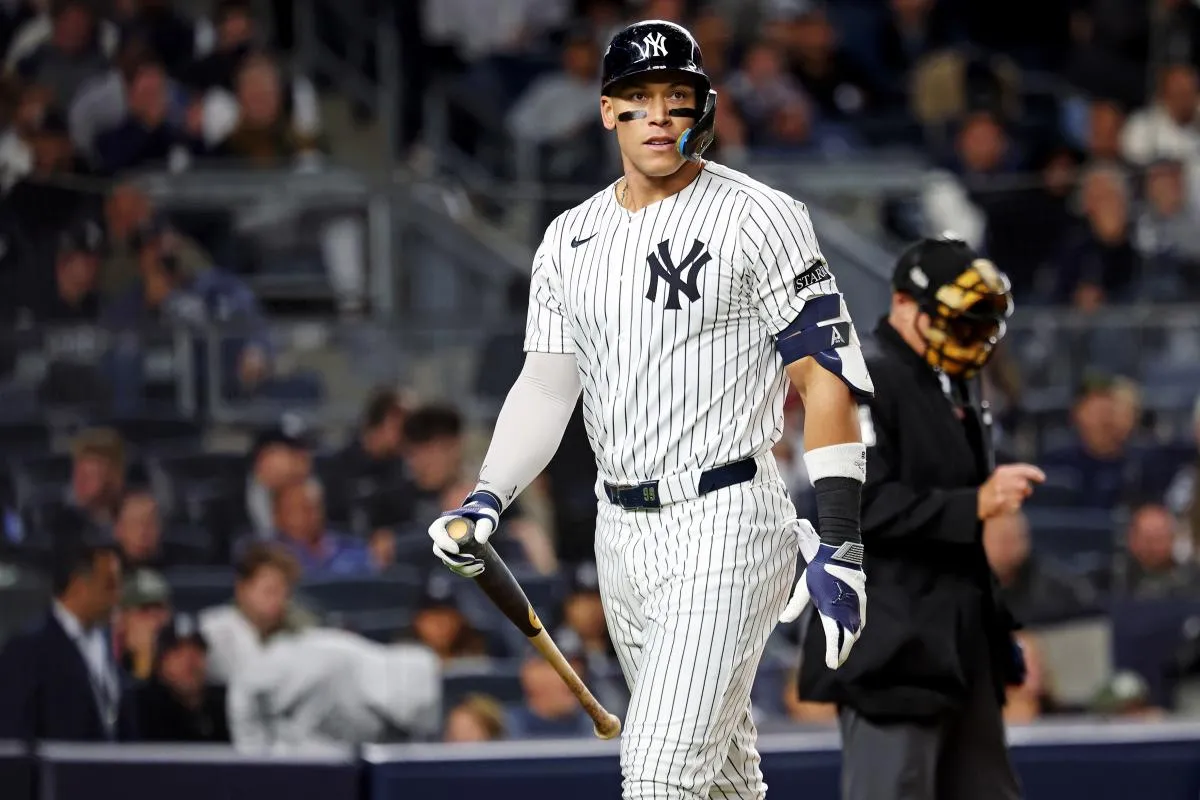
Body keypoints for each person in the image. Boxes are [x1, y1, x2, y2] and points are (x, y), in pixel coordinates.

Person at [428, 20, 871, 799]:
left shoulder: (760, 215)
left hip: (727, 517)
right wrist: (487, 497)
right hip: (621, 534)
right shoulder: (569, 238)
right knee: (723, 782)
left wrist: (841, 541)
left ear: (701, 106)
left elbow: (824, 376)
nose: (659, 115)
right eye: (638, 99)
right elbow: (546, 387)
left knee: (659, 775)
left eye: (676, 97)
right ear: (607, 112)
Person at [798, 236, 1040, 800]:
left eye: (981, 327)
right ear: (905, 304)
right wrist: (973, 505)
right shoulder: (862, 380)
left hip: (958, 640)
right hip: (891, 646)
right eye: (959, 323)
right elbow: (855, 505)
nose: (972, 341)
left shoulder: (950, 381)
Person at [0, 539, 136, 741]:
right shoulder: (27, 650)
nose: (118, 596)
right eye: (109, 585)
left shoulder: (110, 643)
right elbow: (15, 734)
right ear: (79, 585)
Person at [131, 613, 230, 742]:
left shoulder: (222, 704)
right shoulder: (141, 705)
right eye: (177, 651)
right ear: (160, 662)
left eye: (197, 649)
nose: (189, 660)